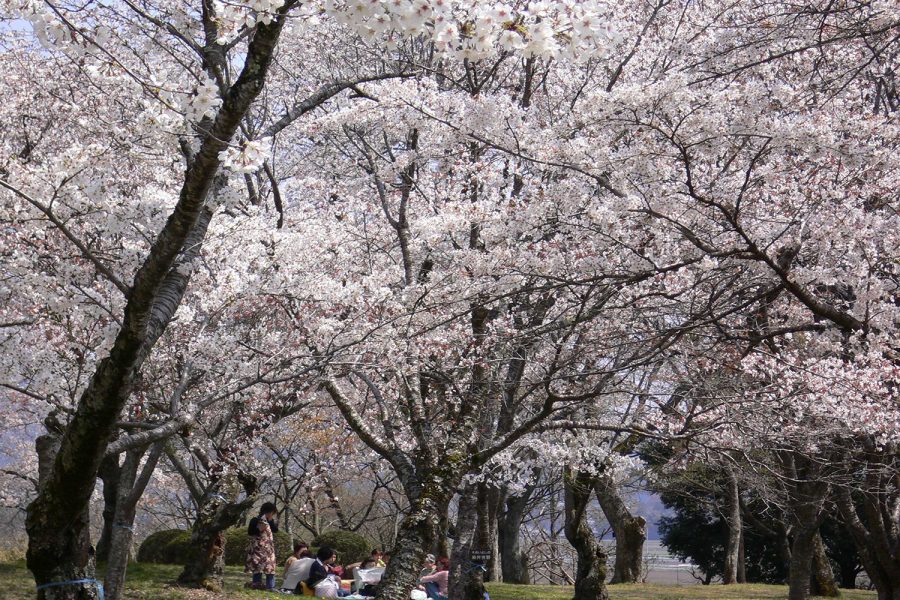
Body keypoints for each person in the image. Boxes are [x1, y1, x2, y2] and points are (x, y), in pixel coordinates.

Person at [245, 502, 278, 590]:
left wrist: (271, 521)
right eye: (272, 513)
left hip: (268, 549)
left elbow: (275, 530)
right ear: (269, 512)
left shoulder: (270, 521)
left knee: (270, 568)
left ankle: (270, 587)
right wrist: (259, 529)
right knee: (257, 567)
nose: (272, 515)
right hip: (258, 548)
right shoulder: (255, 520)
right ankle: (256, 585)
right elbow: (250, 532)